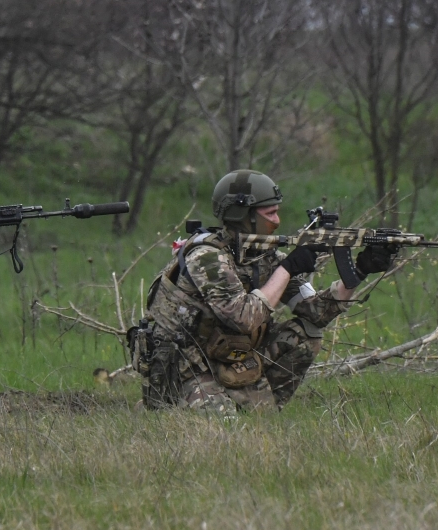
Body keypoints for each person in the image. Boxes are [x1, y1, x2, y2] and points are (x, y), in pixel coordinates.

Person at [139, 170, 395, 414]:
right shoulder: (207, 258)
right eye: (270, 213)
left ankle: (261, 406)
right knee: (223, 429)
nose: (277, 221)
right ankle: (187, 404)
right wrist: (287, 268)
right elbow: (243, 318)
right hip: (184, 365)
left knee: (306, 335)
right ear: (243, 214)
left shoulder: (264, 257)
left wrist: (359, 272)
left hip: (228, 355)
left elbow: (316, 314)